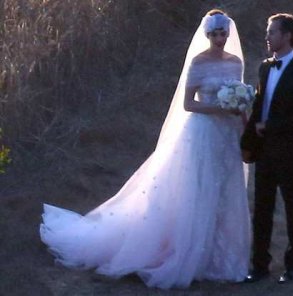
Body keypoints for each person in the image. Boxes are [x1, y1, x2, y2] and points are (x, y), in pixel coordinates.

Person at [40, 9, 251, 289]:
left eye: (222, 33)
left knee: (225, 191)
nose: (219, 38)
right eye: (214, 34)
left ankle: (222, 257)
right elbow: (189, 104)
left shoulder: (235, 62)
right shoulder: (198, 63)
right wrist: (218, 108)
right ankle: (191, 254)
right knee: (200, 190)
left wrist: (242, 119)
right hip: (204, 133)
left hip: (227, 136)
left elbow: (239, 96)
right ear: (207, 35)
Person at [241, 13, 293, 284]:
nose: (268, 36)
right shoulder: (264, 68)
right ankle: (259, 265)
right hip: (265, 152)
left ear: (287, 37)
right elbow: (259, 107)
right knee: (262, 208)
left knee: (292, 208)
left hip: (290, 152)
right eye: (268, 31)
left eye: (272, 32)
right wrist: (249, 141)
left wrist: (268, 127)